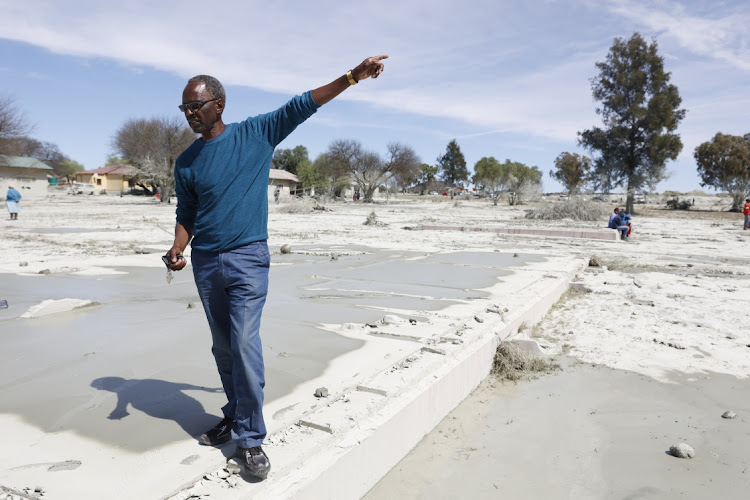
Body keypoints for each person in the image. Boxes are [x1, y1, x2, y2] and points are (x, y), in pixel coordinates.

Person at [163, 55, 388, 480]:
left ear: (219, 104)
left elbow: (304, 103)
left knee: (245, 345)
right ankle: (235, 413)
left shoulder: (256, 133)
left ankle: (249, 440)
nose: (191, 114)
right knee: (224, 348)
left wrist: (352, 77)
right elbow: (187, 212)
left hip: (248, 258)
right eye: (185, 109)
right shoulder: (187, 162)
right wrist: (177, 248)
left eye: (197, 106)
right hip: (206, 262)